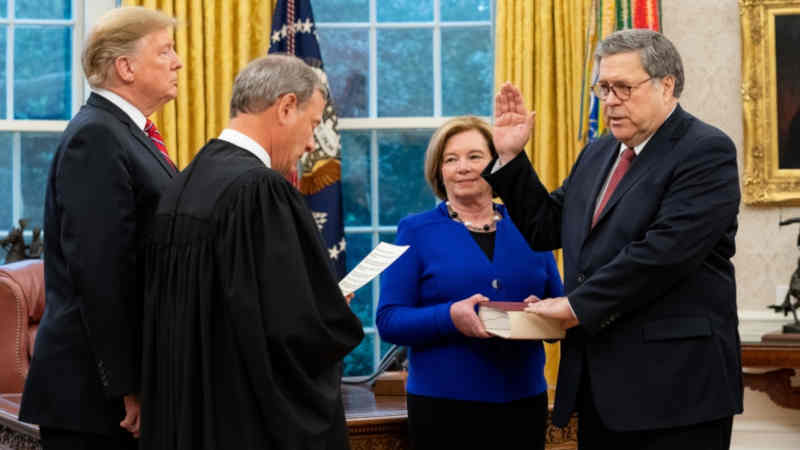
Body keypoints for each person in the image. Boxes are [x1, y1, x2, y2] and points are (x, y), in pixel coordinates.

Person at [484, 29, 742, 449]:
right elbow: (545, 227)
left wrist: (573, 306)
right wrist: (512, 157)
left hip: (678, 392)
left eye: (623, 87)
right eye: (603, 88)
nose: (610, 100)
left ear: (667, 85)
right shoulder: (599, 152)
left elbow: (665, 253)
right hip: (601, 388)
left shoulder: (705, 150)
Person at [139, 54, 364, 450]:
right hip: (242, 421)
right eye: (313, 124)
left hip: (186, 418)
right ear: (286, 107)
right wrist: (331, 308)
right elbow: (292, 327)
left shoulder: (184, 181)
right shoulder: (260, 190)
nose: (312, 143)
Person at [19, 6, 182, 450]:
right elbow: (103, 273)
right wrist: (128, 384)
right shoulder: (97, 137)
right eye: (165, 51)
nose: (178, 62)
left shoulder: (129, 135)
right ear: (125, 67)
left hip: (114, 392)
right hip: (95, 399)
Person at [377, 116, 564, 450]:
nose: (462, 167)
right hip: (444, 408)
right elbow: (389, 321)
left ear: (496, 164)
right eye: (451, 159)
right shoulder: (414, 230)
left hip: (524, 402)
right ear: (439, 171)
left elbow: (561, 311)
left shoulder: (531, 224)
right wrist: (449, 316)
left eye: (475, 157)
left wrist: (542, 315)